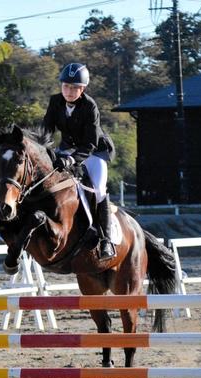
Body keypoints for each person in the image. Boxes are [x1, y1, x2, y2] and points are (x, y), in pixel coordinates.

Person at [42, 62, 116, 260]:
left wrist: (72, 160)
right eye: (66, 86)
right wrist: (44, 151)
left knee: (99, 190)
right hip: (66, 148)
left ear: (82, 89)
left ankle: (106, 239)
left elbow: (90, 143)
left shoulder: (90, 106)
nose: (69, 91)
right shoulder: (55, 101)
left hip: (93, 151)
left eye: (75, 87)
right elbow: (47, 131)